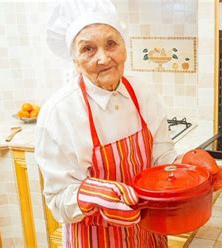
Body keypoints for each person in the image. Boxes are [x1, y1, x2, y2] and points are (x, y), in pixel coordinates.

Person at [35, 0, 177, 246]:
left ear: (124, 47)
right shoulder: (60, 113)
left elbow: (161, 155)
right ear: (75, 61)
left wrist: (186, 171)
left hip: (148, 232)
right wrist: (95, 196)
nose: (103, 58)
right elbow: (58, 202)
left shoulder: (142, 91)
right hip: (95, 239)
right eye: (88, 49)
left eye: (111, 43)